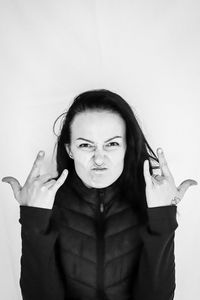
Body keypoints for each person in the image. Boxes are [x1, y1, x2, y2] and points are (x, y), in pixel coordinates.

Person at [2, 89, 197, 300]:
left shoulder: (150, 202)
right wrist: (34, 219)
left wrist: (163, 217)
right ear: (69, 150)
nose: (99, 159)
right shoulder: (47, 203)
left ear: (126, 147)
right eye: (85, 145)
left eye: (112, 144)